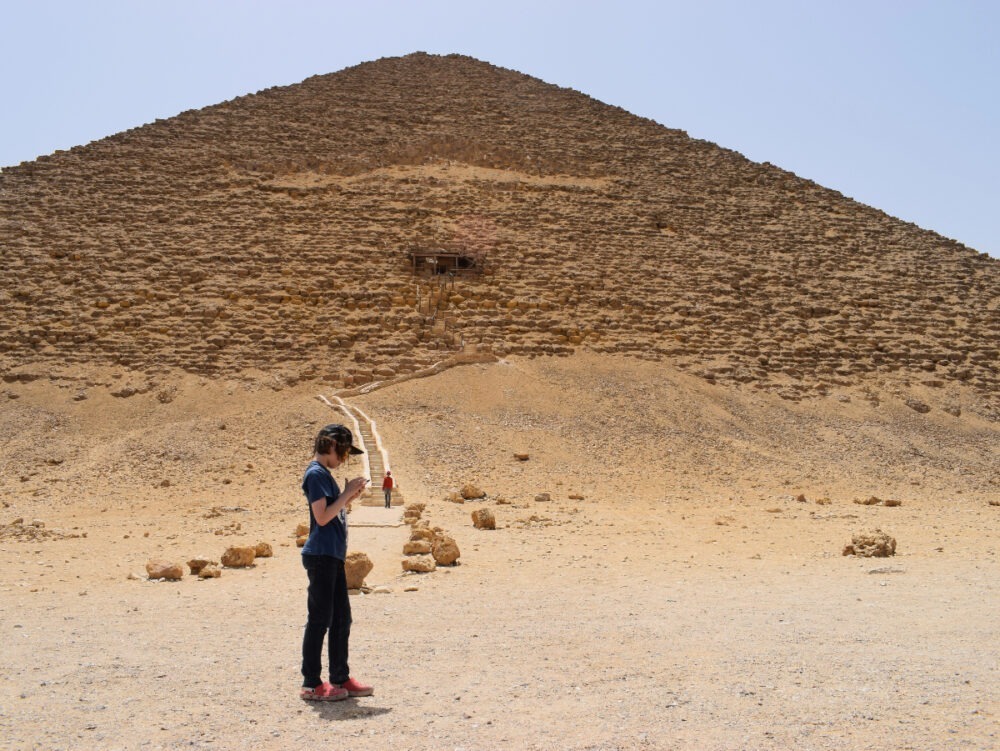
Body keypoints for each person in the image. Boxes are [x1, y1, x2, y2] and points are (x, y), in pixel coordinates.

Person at [299, 423, 374, 701]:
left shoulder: (326, 475)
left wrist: (349, 496)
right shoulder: (315, 474)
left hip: (332, 555)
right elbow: (321, 517)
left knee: (342, 617)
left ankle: (340, 678)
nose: (344, 459)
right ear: (330, 446)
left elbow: (333, 512)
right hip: (320, 555)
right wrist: (345, 495)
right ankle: (311, 683)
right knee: (320, 619)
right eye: (342, 451)